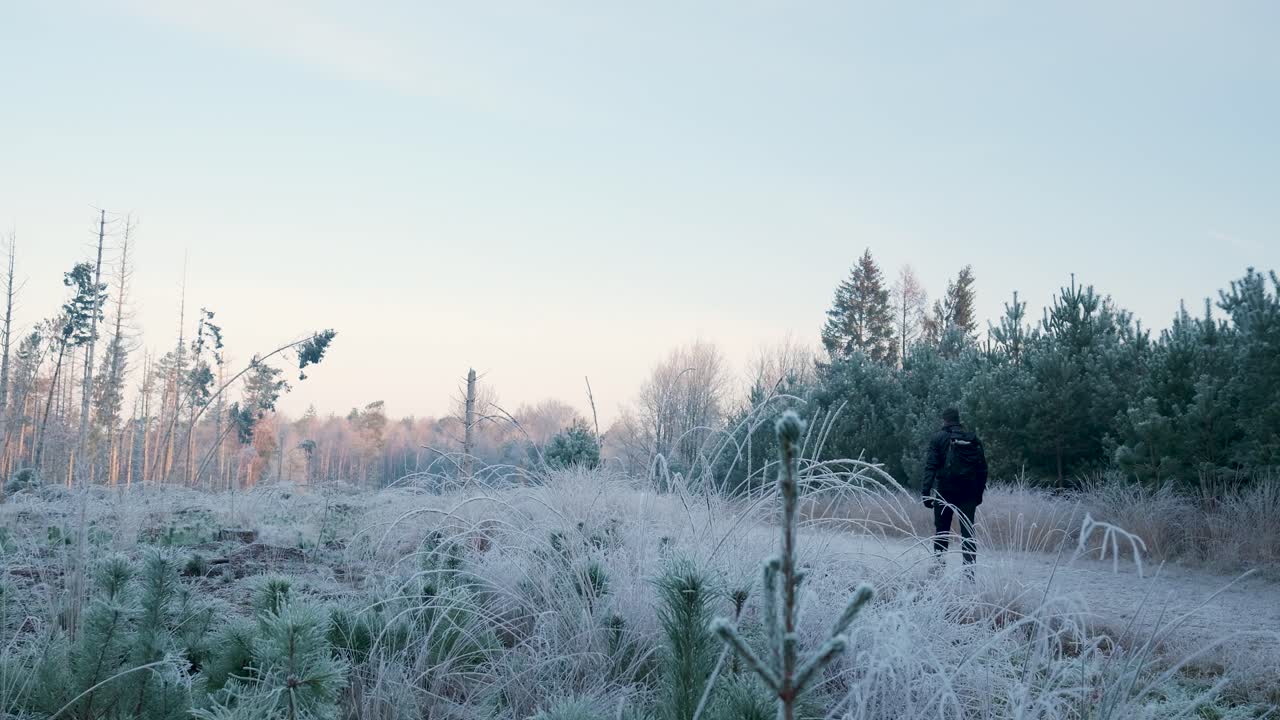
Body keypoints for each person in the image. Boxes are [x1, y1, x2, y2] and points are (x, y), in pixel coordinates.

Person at [921, 407, 988, 574]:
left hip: (945, 491)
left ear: (944, 420)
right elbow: (983, 470)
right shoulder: (972, 439)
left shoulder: (938, 438)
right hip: (969, 492)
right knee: (968, 532)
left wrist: (926, 491)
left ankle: (938, 570)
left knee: (942, 531)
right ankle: (969, 573)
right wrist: (978, 495)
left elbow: (931, 466)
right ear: (958, 420)